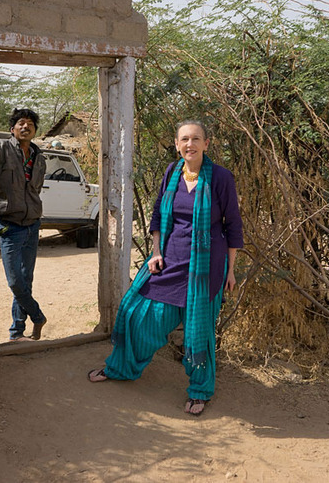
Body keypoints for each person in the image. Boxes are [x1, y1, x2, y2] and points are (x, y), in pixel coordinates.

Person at [88, 120, 243, 417]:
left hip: (207, 268)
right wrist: (155, 252)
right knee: (138, 312)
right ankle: (122, 368)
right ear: (176, 144)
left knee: (199, 332)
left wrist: (230, 271)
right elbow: (159, 215)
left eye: (196, 138)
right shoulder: (172, 173)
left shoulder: (221, 178)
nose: (190, 144)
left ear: (206, 144)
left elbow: (233, 226)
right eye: (185, 139)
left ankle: (200, 390)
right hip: (170, 260)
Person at [0, 108, 48, 341]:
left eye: (30, 124)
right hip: (10, 225)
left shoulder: (40, 158)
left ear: (35, 130)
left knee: (26, 280)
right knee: (15, 280)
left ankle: (17, 332)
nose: (26, 127)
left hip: (33, 224)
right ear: (12, 129)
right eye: (21, 123)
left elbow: (35, 189)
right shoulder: (1, 150)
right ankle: (37, 317)